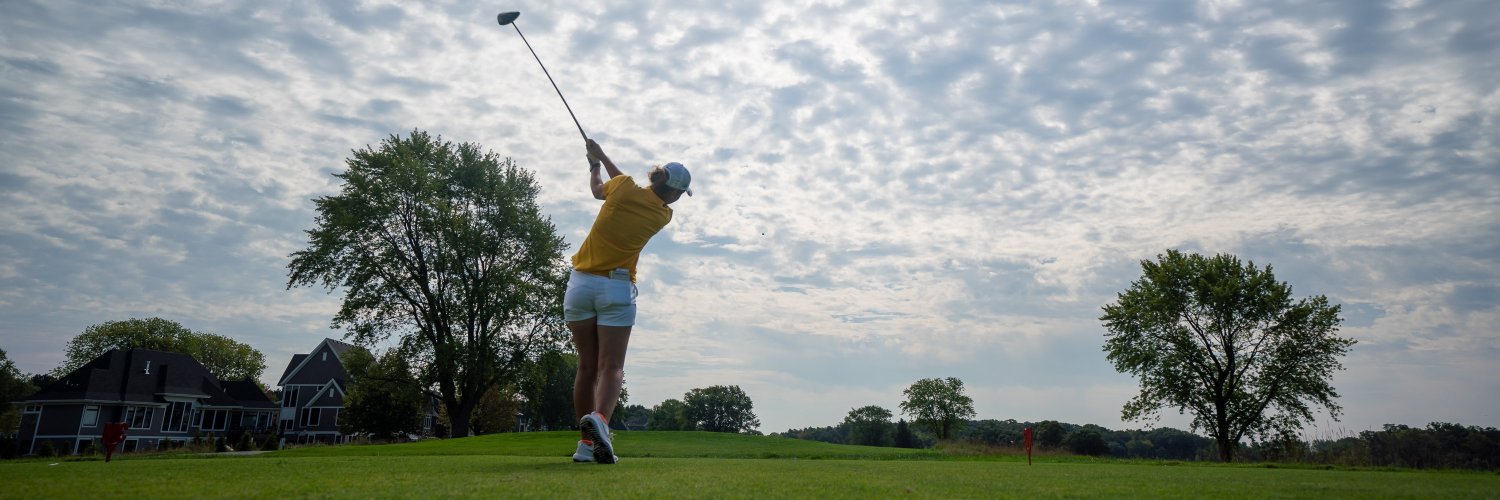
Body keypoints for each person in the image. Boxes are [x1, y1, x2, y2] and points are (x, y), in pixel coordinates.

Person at [565, 138, 691, 464]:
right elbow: (629, 187)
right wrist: (603, 157)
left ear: (656, 176)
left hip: (579, 285)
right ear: (675, 193)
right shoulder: (664, 215)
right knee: (612, 367)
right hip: (616, 289)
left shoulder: (621, 187)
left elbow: (602, 188)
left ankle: (585, 444)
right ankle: (602, 422)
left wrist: (596, 163)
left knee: (586, 367)